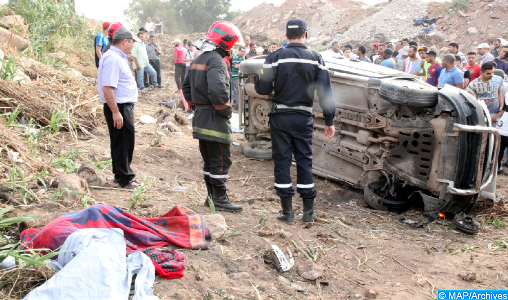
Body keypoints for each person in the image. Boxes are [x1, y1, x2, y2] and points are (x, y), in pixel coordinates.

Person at [255, 19, 336, 224]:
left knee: (282, 162)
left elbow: (262, 89)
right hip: (303, 118)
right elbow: (325, 92)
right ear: (305, 34)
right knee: (304, 161)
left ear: (286, 36)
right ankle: (308, 213)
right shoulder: (315, 58)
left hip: (280, 118)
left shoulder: (275, 57)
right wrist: (329, 120)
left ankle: (287, 213)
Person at [182, 21, 243, 212]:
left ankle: (210, 197)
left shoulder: (198, 59)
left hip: (200, 117)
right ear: (226, 42)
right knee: (221, 159)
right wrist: (225, 110)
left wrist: (195, 106)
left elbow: (185, 88)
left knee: (209, 159)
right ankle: (219, 198)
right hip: (214, 118)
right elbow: (217, 90)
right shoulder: (216, 61)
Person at [97, 26, 141, 189]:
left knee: (122, 141)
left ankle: (121, 174)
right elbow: (107, 87)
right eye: (132, 42)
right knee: (123, 142)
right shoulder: (112, 58)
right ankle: (125, 178)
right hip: (119, 107)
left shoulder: (117, 57)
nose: (134, 45)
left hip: (122, 106)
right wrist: (116, 112)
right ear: (125, 41)